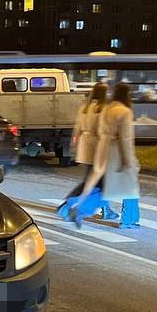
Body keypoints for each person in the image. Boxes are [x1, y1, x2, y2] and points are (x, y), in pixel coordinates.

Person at [71, 82, 141, 229]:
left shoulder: (107, 109)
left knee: (102, 185)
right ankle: (129, 220)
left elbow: (99, 130)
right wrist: (129, 161)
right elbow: (125, 139)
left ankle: (80, 208)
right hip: (117, 151)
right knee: (130, 187)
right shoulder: (125, 112)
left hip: (102, 148)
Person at [56, 83, 116, 220]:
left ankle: (104, 209)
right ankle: (70, 205)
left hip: (85, 145)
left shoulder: (85, 108)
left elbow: (77, 128)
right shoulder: (104, 109)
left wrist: (74, 144)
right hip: (99, 145)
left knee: (93, 179)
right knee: (100, 182)